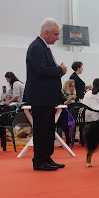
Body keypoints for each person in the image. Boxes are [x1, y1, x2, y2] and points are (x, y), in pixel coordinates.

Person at [24, 18, 67, 171]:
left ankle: (47, 158)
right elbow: (41, 70)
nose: (57, 37)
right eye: (55, 34)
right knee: (42, 130)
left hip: (47, 97)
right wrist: (59, 70)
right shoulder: (36, 47)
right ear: (47, 33)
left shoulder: (43, 46)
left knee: (48, 129)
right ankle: (40, 160)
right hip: (40, 97)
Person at [57, 79, 78, 146]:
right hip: (65, 114)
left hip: (73, 114)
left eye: (74, 86)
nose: (73, 88)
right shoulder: (63, 94)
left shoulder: (74, 95)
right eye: (71, 86)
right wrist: (70, 99)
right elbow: (64, 104)